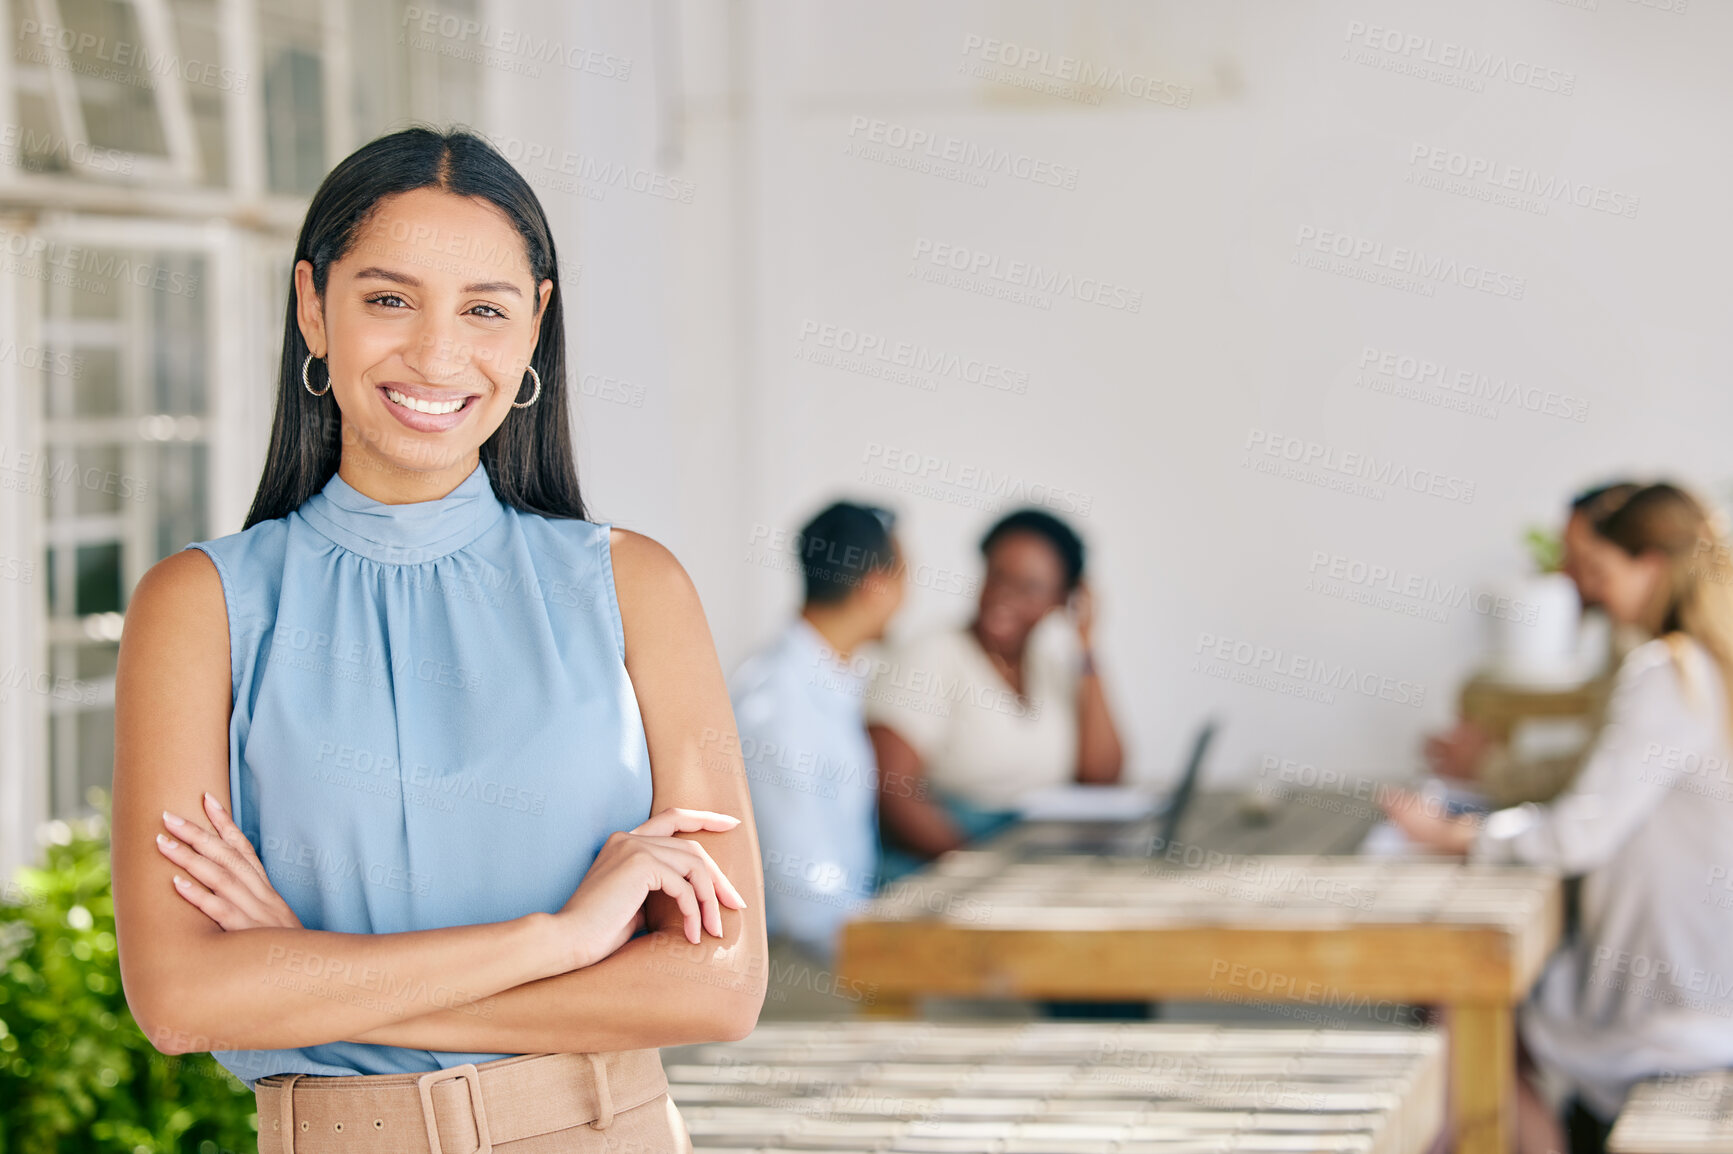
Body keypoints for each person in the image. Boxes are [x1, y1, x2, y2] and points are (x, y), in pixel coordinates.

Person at [110, 127, 765, 1151]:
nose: (436, 352)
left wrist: (299, 974)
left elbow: (717, 986)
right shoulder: (198, 606)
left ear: (534, 326)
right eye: (387, 298)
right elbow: (182, 998)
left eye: (484, 310)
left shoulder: (633, 586)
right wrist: (560, 940)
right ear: (309, 307)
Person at [1385, 483, 1733, 1154]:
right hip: (1702, 981)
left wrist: (1460, 835)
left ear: (1650, 567)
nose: (1588, 592)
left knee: (1456, 998)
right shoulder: (1710, 669)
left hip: (1665, 1005)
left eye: (1598, 572)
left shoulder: (1668, 671)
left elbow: (1579, 833)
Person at [866, 508, 1124, 878]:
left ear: (1062, 600)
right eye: (997, 576)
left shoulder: (1049, 669)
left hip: (1032, 865)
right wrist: (983, 869)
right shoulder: (933, 655)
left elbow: (1102, 779)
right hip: (945, 870)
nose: (1004, 596)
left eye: (1029, 587)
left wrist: (1086, 646)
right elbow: (891, 792)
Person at [727, 502, 906, 1008]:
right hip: (801, 978)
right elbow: (807, 899)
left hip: (834, 953)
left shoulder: (828, 679)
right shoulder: (779, 701)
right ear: (875, 586)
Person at [1425, 482, 1642, 806]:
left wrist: (1486, 767)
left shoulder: (1645, 649)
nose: (1564, 572)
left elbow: (1589, 778)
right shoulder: (1626, 636)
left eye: (1581, 558)